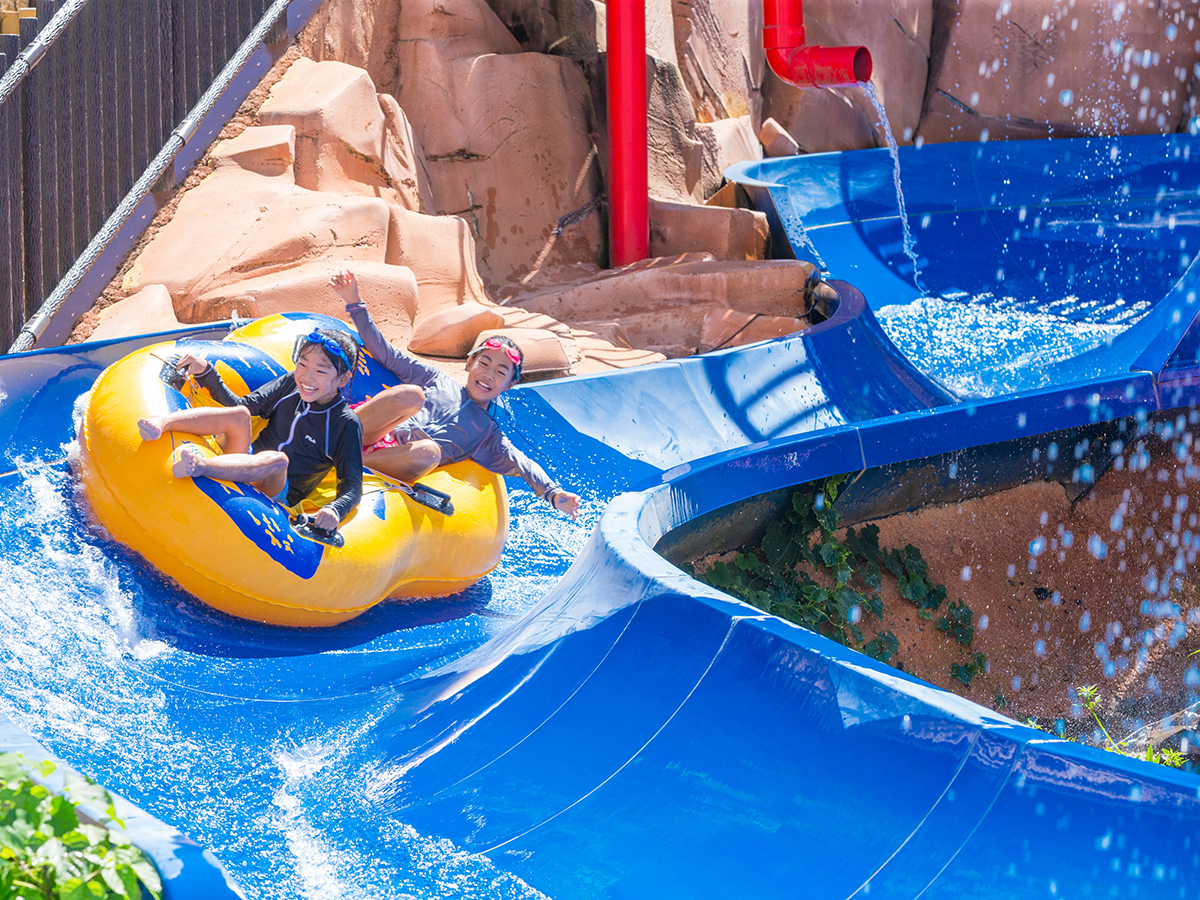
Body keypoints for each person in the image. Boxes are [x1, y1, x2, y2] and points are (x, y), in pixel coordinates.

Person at [328, 270, 581, 520]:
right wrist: (354, 303)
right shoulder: (436, 379)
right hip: (370, 431)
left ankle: (349, 463)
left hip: (388, 460)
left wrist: (553, 493)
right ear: (469, 363)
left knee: (430, 452)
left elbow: (523, 463)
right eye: (484, 363)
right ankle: (331, 437)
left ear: (509, 385)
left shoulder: (487, 434)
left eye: (500, 371)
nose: (489, 375)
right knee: (412, 395)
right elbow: (387, 354)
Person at [137, 329, 364, 534]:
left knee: (278, 460)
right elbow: (241, 404)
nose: (307, 377)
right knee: (241, 415)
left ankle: (199, 466)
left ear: (343, 379)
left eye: (321, 371)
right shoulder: (289, 385)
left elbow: (352, 486)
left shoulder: (345, 423)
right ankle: (162, 422)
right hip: (243, 461)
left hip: (276, 491)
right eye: (303, 365)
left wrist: (335, 510)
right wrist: (206, 373)